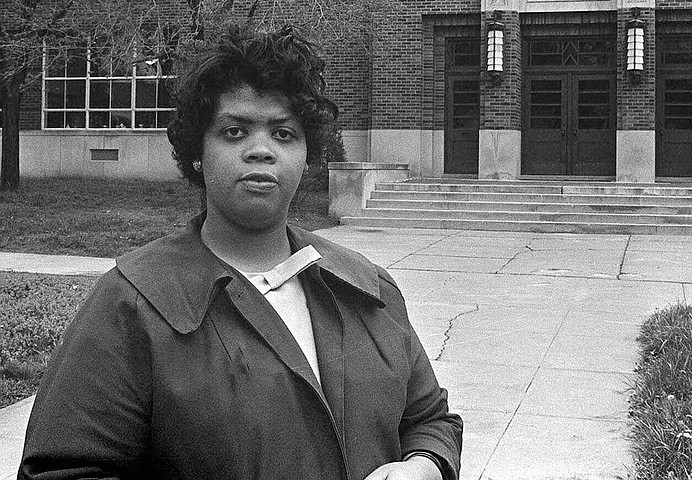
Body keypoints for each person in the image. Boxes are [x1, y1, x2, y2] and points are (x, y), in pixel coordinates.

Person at [18, 25, 463, 480]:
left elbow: (430, 420)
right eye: (234, 132)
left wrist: (425, 465)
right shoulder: (131, 305)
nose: (261, 151)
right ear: (197, 153)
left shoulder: (369, 287)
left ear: (308, 154)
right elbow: (62, 470)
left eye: (284, 134)